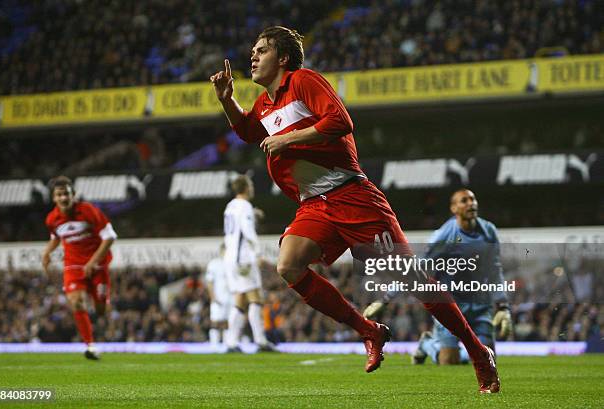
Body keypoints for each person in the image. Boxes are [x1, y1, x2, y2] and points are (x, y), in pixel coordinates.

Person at [210, 26, 499, 391]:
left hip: (354, 196)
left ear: (282, 58)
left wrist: (289, 138)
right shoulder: (265, 104)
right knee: (288, 264)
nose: (253, 55)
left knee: (414, 281)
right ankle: (370, 331)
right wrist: (227, 101)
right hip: (316, 204)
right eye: (253, 49)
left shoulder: (303, 81)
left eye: (262, 50)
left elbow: (340, 121)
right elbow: (250, 132)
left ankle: (477, 352)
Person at [365, 189, 513, 365]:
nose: (470, 203)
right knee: (449, 361)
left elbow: (494, 270)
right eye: (464, 201)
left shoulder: (489, 231)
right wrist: (386, 298)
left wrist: (503, 307)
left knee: (487, 359)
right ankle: (427, 343)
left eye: (472, 199)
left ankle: (463, 351)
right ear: (454, 208)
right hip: (451, 304)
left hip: (481, 304)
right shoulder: (443, 237)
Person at [41, 176, 117, 360]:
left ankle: (99, 306)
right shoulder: (52, 219)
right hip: (73, 266)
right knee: (75, 301)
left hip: (98, 265)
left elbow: (110, 236)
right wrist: (47, 253)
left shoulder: (88, 211)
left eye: (66, 194)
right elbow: (57, 236)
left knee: (100, 309)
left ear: (73, 195)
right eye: (59, 195)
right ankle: (90, 346)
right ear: (54, 198)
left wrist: (92, 262)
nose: (63, 198)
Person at [222, 175, 276, 352]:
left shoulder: (230, 206)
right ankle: (260, 341)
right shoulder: (244, 206)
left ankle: (231, 342)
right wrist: (258, 253)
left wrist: (253, 214)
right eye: (251, 185)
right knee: (255, 298)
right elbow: (247, 231)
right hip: (243, 258)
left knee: (240, 299)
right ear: (245, 188)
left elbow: (237, 224)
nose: (252, 188)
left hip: (230, 257)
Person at [204, 244, 233, 347]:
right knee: (215, 321)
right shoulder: (214, 264)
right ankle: (214, 343)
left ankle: (228, 344)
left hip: (231, 298)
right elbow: (209, 282)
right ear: (221, 251)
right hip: (218, 298)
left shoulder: (233, 263)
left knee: (228, 322)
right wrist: (213, 297)